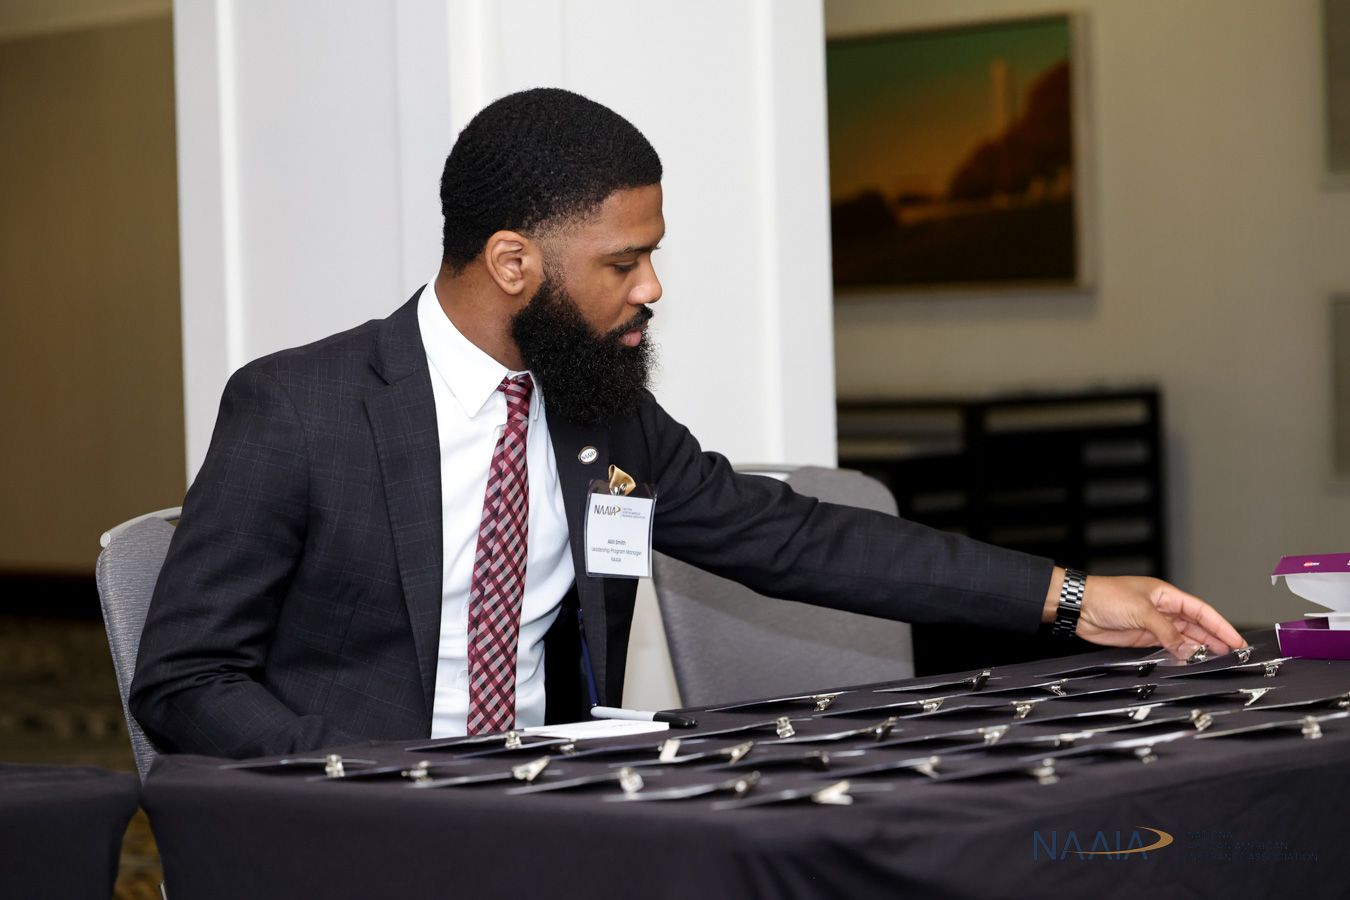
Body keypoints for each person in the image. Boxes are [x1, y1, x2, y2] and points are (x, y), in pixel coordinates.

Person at [129, 88, 1244, 759]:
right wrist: (381, 780)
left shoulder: (597, 407)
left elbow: (798, 537)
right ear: (513, 262)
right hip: (354, 826)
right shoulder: (300, 408)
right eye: (624, 262)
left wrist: (1072, 597)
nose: (652, 287)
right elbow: (185, 682)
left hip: (550, 809)